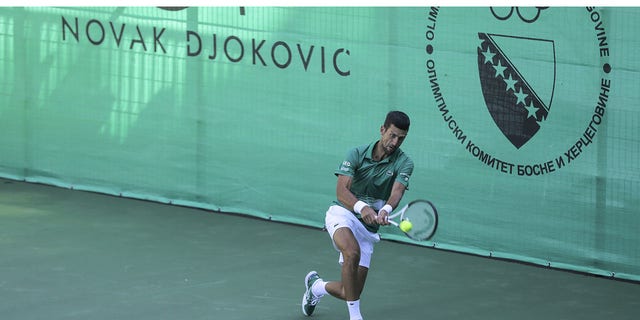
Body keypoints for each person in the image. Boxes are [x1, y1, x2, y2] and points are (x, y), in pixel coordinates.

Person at [302, 110, 414, 320]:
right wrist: (363, 208)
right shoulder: (356, 153)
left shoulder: (405, 163)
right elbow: (341, 191)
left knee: (349, 291)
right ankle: (356, 317)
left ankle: (316, 287)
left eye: (401, 138)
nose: (395, 142)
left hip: (368, 229)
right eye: (392, 135)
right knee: (351, 252)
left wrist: (385, 210)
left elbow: (397, 192)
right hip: (342, 214)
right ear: (382, 130)